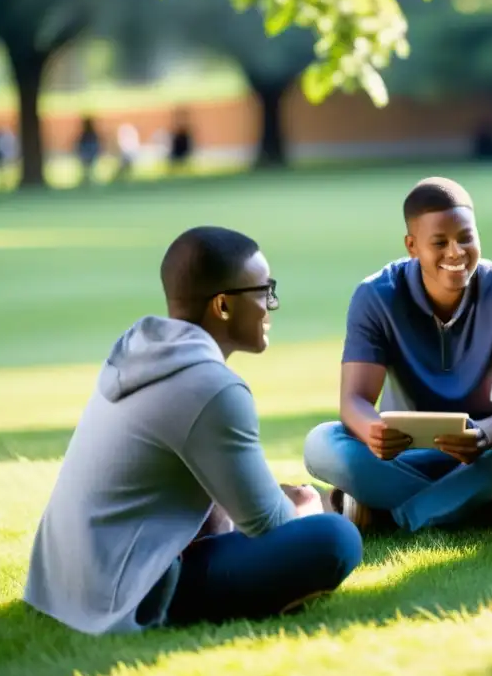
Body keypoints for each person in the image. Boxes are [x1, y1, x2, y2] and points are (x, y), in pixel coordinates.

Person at [24, 227, 362, 634]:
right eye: (263, 291)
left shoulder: (140, 353)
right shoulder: (212, 386)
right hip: (127, 594)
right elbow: (271, 525)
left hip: (62, 585)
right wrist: (307, 506)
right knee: (335, 538)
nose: (271, 305)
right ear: (222, 305)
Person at [304, 177, 492, 534]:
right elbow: (354, 400)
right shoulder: (376, 295)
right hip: (400, 454)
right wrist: (372, 431)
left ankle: (387, 513)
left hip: (481, 451)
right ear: (412, 246)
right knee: (321, 443)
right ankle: (488, 507)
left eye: (466, 237)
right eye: (440, 242)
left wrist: (486, 434)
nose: (456, 252)